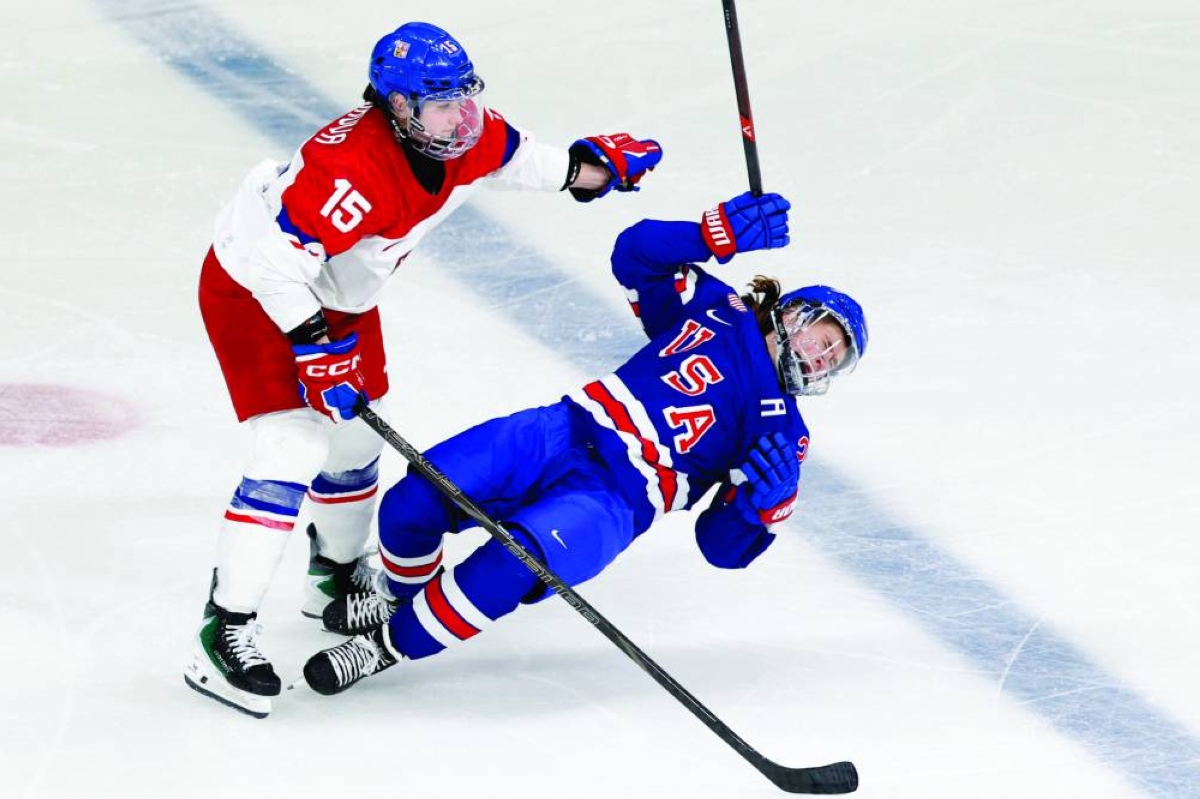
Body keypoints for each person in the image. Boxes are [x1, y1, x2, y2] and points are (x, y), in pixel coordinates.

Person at [185, 20, 663, 718]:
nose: (460, 114)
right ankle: (222, 630)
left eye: (464, 95)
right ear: (398, 107)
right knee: (291, 446)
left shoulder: (459, 133)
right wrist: (315, 349)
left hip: (337, 294)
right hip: (256, 293)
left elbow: (519, 156)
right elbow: (273, 267)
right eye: (442, 102)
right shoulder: (350, 171)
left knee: (354, 443)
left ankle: (334, 577)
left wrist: (594, 170)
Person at [298, 191, 868, 696]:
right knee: (412, 502)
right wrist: (711, 233)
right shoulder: (719, 308)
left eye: (833, 357)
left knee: (512, 562)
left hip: (617, 501)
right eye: (822, 337)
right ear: (792, 313)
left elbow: (718, 546)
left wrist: (763, 509)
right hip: (559, 430)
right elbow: (635, 254)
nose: (820, 357)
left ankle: (383, 647)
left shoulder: (783, 433)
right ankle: (402, 595)